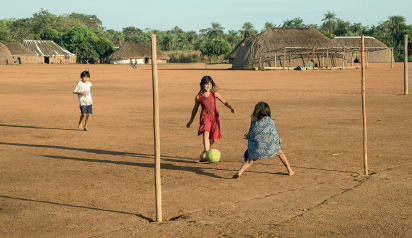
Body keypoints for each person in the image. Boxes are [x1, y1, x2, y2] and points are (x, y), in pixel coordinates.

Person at [233, 102, 294, 178]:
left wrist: (248, 137)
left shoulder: (253, 121)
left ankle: (240, 172)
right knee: (280, 153)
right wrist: (278, 141)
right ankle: (290, 171)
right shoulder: (270, 121)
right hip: (270, 149)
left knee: (249, 161)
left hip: (256, 150)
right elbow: (273, 135)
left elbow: (252, 134)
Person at [187, 75, 236, 162]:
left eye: (210, 84)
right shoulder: (198, 97)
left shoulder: (214, 94)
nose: (208, 86)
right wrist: (190, 121)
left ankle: (205, 153)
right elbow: (195, 109)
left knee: (214, 139)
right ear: (202, 85)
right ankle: (208, 153)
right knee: (206, 134)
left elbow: (224, 102)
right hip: (205, 118)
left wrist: (231, 108)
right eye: (206, 84)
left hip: (215, 118)